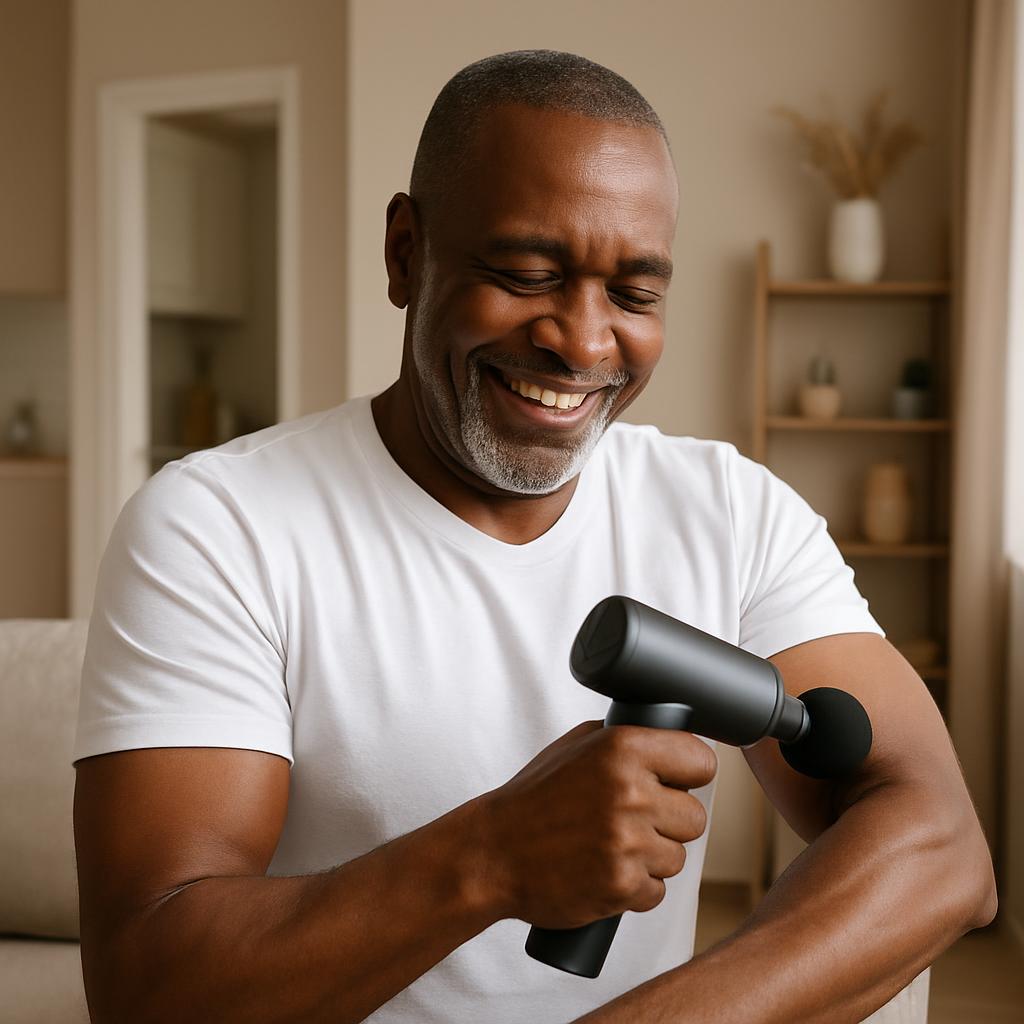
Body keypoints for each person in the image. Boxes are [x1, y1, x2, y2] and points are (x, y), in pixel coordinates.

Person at [72, 50, 996, 1024]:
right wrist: (491, 857)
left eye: (633, 296)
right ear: (404, 253)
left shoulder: (730, 511)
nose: (584, 342)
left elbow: (941, 845)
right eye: (524, 274)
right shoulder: (216, 528)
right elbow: (146, 986)